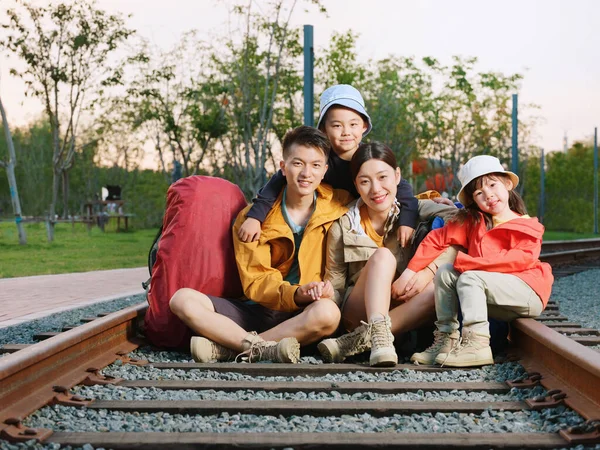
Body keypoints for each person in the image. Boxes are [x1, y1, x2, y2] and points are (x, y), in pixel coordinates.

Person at [169, 126, 352, 363]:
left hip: (305, 314)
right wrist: (296, 293)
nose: (306, 173)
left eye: (315, 165)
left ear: (325, 170)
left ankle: (233, 348)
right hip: (259, 309)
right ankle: (261, 348)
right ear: (283, 167)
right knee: (182, 300)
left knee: (328, 313)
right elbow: (256, 281)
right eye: (298, 163)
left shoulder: (340, 205)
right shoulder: (251, 219)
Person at [317, 142, 457, 366]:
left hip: (404, 313)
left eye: (383, 177)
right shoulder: (344, 225)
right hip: (358, 311)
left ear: (397, 176)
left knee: (436, 289)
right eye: (365, 181)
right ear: (356, 184)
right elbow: (336, 286)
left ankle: (358, 341)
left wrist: (426, 272)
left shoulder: (418, 210)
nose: (376, 189)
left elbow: (464, 226)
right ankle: (376, 338)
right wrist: (324, 294)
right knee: (383, 257)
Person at [409, 155, 553, 367]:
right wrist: (411, 271)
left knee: (469, 278)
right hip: (492, 293)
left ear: (507, 184)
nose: (489, 195)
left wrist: (468, 264)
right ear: (474, 200)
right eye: (479, 193)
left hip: (527, 291)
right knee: (446, 272)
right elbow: (437, 238)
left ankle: (477, 346)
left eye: (493, 185)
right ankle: (445, 341)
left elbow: (517, 260)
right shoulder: (474, 222)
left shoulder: (527, 226)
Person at [238, 84, 419, 248]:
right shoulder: (319, 160)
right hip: (335, 225)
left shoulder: (370, 159)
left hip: (371, 220)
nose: (346, 132)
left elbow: (403, 191)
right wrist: (256, 217)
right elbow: (278, 181)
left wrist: (407, 222)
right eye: (337, 125)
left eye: (353, 124)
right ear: (324, 129)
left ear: (364, 126)